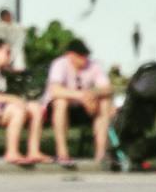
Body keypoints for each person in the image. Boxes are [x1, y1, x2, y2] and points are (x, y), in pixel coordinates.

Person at [33, 37, 114, 168]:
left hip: (82, 109)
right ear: (70, 55)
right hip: (56, 109)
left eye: (85, 55)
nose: (84, 58)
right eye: (80, 55)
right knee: (61, 101)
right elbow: (55, 90)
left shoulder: (94, 66)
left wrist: (93, 94)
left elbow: (108, 88)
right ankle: (62, 152)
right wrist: (82, 95)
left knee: (104, 102)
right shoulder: (60, 64)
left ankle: (100, 153)